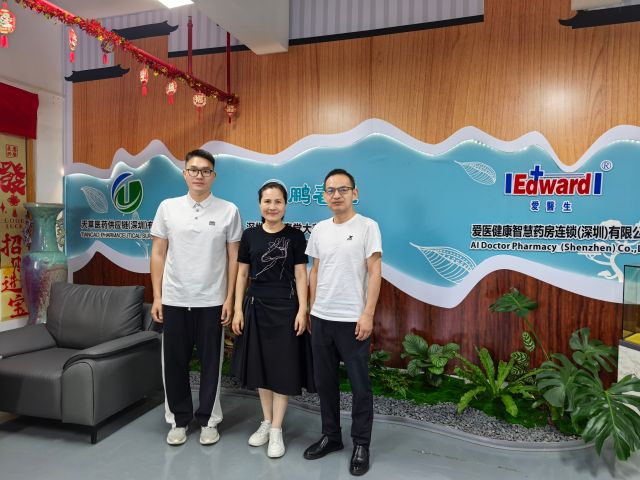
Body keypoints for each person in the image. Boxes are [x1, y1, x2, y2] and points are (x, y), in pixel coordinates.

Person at [150, 149, 242, 446]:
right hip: (174, 298)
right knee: (173, 363)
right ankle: (178, 420)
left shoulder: (229, 210)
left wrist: (229, 299)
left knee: (211, 364)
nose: (199, 175)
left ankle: (208, 420)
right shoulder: (168, 208)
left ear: (213, 175)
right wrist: (157, 297)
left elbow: (234, 258)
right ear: (184, 174)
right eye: (193, 170)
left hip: (212, 300)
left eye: (205, 171)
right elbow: (158, 253)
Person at [303, 168, 382, 476]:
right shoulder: (320, 229)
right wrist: (312, 308)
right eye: (330, 190)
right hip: (322, 318)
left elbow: (374, 272)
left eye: (343, 189)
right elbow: (315, 270)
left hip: (353, 320)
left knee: (360, 387)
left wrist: (368, 314)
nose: (336, 195)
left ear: (354, 193)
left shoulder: (367, 227)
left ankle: (361, 443)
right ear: (324, 196)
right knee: (325, 383)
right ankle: (331, 436)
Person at [231, 180, 315, 458]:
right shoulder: (250, 236)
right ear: (259, 205)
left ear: (285, 205)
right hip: (256, 306)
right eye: (267, 201)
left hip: (286, 308)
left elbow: (301, 274)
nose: (272, 206)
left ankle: (277, 429)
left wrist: (303, 309)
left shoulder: (295, 236)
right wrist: (238, 309)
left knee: (282, 369)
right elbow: (242, 274)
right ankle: (266, 421)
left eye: (278, 201)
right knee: (260, 367)